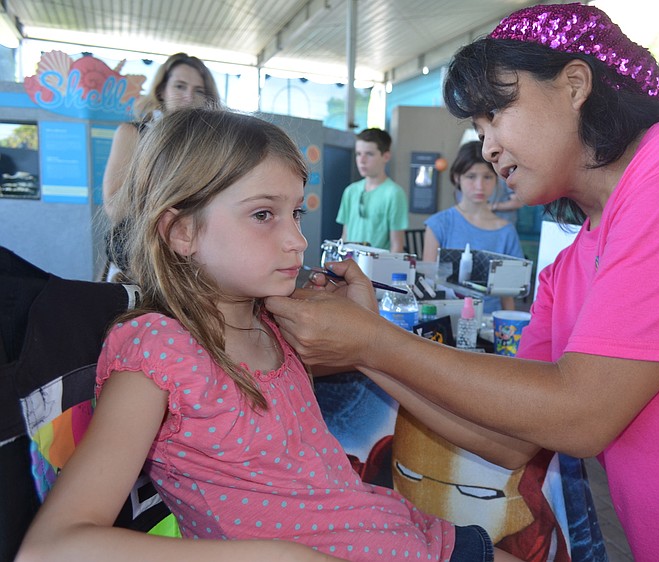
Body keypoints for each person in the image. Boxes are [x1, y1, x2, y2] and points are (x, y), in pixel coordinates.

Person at [269, 3, 659, 561]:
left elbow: (581, 413)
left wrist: (373, 342)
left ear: (574, 84)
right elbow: (513, 440)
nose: (488, 147)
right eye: (477, 127)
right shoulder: (568, 271)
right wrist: (362, 343)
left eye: (496, 113)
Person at [15, 109, 528, 562]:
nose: (297, 240)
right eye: (264, 215)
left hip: (412, 536)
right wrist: (282, 555)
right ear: (181, 231)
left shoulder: (278, 325)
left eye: (296, 213)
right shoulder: (158, 350)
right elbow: (53, 546)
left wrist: (364, 328)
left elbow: (386, 370)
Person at [101, 52, 221, 280]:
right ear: (161, 90)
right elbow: (115, 209)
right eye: (180, 86)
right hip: (138, 262)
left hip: (193, 264)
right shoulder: (133, 134)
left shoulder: (212, 146)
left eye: (198, 91)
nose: (188, 97)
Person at [424, 140, 524, 312]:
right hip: (446, 316)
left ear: (496, 179)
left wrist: (509, 322)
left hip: (490, 320)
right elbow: (428, 283)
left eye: (487, 177)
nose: (479, 186)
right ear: (457, 177)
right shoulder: (438, 224)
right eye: (471, 176)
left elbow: (507, 294)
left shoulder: (506, 231)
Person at [336, 128, 408, 252]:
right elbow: (345, 236)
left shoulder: (394, 194)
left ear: (386, 156)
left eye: (369, 154)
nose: (362, 160)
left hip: (378, 263)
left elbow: (397, 246)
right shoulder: (350, 191)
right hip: (350, 261)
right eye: (358, 154)